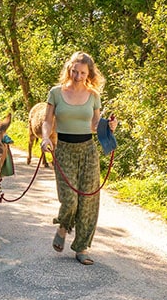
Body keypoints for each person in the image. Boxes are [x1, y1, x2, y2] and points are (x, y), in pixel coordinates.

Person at [40, 51, 117, 265]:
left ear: (89, 73)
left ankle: (82, 247)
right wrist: (46, 138)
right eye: (74, 71)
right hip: (63, 148)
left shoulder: (93, 95)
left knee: (89, 200)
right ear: (69, 69)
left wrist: (109, 127)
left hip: (88, 149)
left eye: (82, 72)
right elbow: (47, 121)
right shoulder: (55, 92)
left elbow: (95, 125)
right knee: (69, 198)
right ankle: (63, 226)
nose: (77, 75)